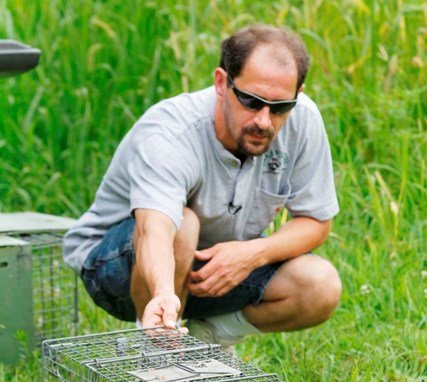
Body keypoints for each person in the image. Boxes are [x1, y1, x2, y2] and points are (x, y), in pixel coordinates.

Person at [63, 24, 342, 348]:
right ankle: (159, 356)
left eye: (279, 107)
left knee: (320, 285)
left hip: (217, 269)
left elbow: (316, 222)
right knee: (184, 223)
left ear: (298, 94)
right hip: (121, 269)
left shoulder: (303, 119)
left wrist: (251, 255)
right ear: (222, 83)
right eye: (251, 102)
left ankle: (211, 335)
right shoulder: (171, 132)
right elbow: (156, 230)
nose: (264, 121)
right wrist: (165, 293)